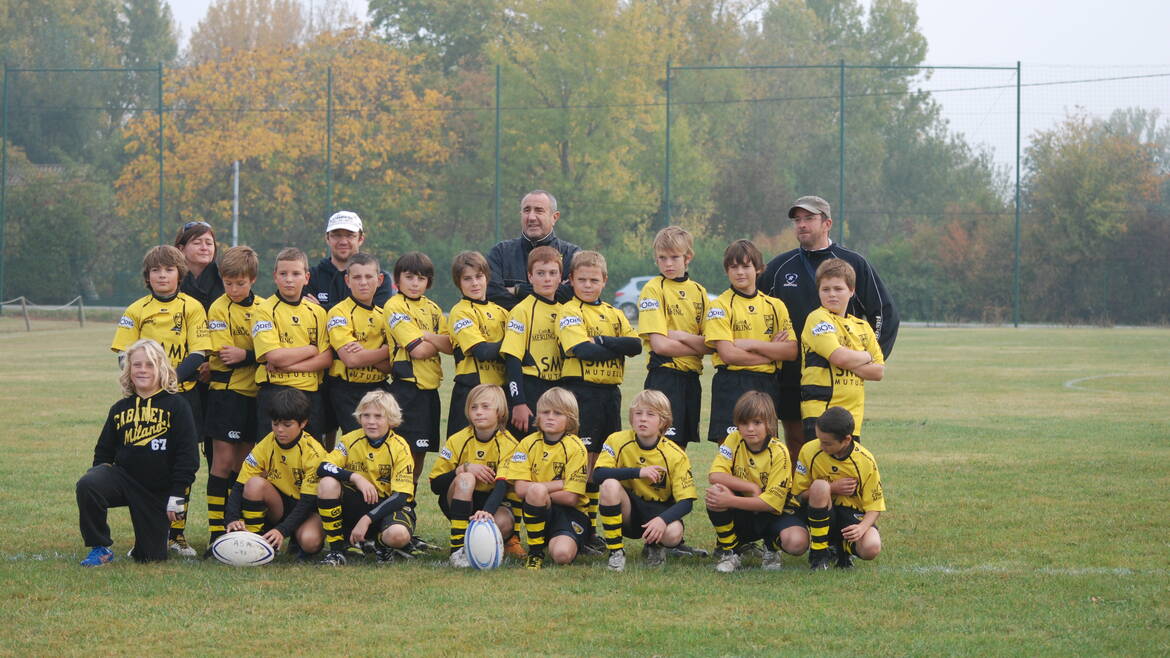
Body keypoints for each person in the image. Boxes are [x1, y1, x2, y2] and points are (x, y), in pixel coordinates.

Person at [759, 195, 899, 459]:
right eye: (797, 220)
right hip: (791, 371)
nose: (801, 225)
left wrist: (866, 361)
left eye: (809, 219)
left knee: (841, 439)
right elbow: (755, 307)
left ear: (827, 223)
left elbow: (884, 313)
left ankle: (835, 494)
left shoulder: (853, 263)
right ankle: (800, 496)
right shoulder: (779, 266)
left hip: (842, 374)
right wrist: (768, 344)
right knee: (798, 439)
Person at [111, 245, 210, 556]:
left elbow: (199, 353)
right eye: (156, 271)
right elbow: (125, 357)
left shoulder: (193, 308)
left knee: (181, 464)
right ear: (148, 277)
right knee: (147, 463)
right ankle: (148, 533)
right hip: (145, 399)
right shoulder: (136, 310)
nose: (162, 275)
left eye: (168, 270)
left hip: (184, 396)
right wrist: (149, 384)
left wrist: (170, 381)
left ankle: (177, 534)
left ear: (179, 274)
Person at [76, 339, 197, 565]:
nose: (142, 370)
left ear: (161, 368)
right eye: (137, 365)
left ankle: (150, 542)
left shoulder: (177, 406)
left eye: (150, 365)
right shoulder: (119, 409)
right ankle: (100, 547)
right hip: (124, 480)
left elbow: (188, 457)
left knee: (151, 558)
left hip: (157, 491)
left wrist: (177, 496)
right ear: (128, 369)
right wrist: (98, 479)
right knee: (88, 483)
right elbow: (103, 453)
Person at [557, 250, 640, 548]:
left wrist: (603, 341)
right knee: (584, 459)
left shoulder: (614, 313)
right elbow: (582, 350)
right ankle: (583, 528)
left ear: (604, 280)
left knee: (602, 460)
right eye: (582, 280)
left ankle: (590, 528)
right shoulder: (569, 311)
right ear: (571, 280)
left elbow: (635, 345)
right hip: (582, 391)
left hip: (609, 394)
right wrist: (613, 347)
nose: (588, 285)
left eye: (594, 280)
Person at [703, 239, 795, 444]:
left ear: (759, 269)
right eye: (733, 267)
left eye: (746, 266)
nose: (740, 272)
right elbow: (728, 354)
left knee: (766, 448)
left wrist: (753, 344)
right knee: (731, 447)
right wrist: (771, 353)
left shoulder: (775, 306)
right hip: (731, 383)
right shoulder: (719, 305)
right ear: (726, 270)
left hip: (767, 385)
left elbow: (791, 352)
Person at [593, 390, 696, 572]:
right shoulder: (616, 440)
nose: (643, 419)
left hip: (658, 511)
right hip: (628, 511)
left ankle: (655, 546)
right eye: (638, 413)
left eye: (650, 414)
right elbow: (598, 475)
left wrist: (662, 520)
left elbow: (687, 502)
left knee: (673, 534)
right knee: (609, 484)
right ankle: (616, 552)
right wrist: (638, 472)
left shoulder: (675, 454)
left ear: (663, 421)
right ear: (631, 417)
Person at [705, 391, 808, 573]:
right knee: (716, 491)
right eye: (744, 423)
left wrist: (730, 501)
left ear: (769, 423)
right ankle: (730, 552)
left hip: (774, 513)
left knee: (798, 543)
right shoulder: (734, 439)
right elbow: (715, 475)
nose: (750, 429)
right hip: (745, 511)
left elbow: (770, 503)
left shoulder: (779, 452)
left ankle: (772, 548)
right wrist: (750, 486)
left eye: (757, 423)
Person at [204, 245, 266, 548]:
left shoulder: (266, 307)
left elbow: (269, 352)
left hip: (257, 395)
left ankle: (240, 529)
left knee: (246, 464)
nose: (233, 289)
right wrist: (256, 354)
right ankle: (217, 530)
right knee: (222, 463)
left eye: (240, 283)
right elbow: (227, 355)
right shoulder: (218, 308)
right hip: (227, 394)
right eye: (228, 283)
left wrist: (250, 354)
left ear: (252, 279)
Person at [316, 390, 416, 566]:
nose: (371, 422)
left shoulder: (400, 447)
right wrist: (355, 477)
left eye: (378, 416)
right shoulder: (349, 440)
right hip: (358, 504)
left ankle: (382, 544)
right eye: (366, 415)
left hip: (389, 506)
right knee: (327, 483)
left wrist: (367, 519)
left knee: (398, 535)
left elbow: (400, 496)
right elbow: (323, 467)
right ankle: (337, 550)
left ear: (391, 419)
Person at [224, 388, 327, 558]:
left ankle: (296, 540)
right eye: (275, 423)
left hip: (306, 509)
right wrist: (232, 518)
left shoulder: (314, 453)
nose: (279, 430)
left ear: (302, 423)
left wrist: (282, 530)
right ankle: (253, 541)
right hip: (278, 505)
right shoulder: (265, 444)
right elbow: (239, 486)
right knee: (254, 483)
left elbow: (308, 502)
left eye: (287, 425)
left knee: (310, 542)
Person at [427, 384, 523, 567]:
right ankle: (457, 550)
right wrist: (462, 468)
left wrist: (486, 512)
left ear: (500, 412)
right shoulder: (457, 440)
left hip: (495, 504)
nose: (478, 412)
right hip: (460, 501)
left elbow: (502, 486)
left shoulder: (509, 444)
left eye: (485, 407)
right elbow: (435, 485)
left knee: (501, 523)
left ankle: (486, 543)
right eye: (474, 407)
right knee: (466, 478)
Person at [498, 387, 589, 570]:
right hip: (539, 509)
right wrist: (561, 484)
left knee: (561, 556)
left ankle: (570, 540)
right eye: (545, 412)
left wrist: (539, 492)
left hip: (570, 513)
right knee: (536, 491)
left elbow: (572, 497)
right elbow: (520, 490)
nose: (550, 417)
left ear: (570, 418)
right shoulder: (527, 444)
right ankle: (535, 552)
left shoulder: (576, 447)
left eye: (557, 413)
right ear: (537, 416)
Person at [637, 226, 711, 448]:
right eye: (662, 258)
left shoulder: (700, 292)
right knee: (659, 445)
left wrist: (679, 336)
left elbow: (712, 344)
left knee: (680, 447)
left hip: (691, 379)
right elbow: (660, 345)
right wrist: (696, 344)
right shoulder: (653, 289)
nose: (668, 264)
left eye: (674, 257)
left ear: (688, 257)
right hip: (664, 376)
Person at [383, 252, 452, 482]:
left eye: (421, 278)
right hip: (406, 389)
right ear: (398, 279)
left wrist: (425, 334)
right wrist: (435, 340)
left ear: (428, 282)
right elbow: (418, 351)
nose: (415, 283)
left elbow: (451, 346)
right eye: (410, 277)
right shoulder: (394, 306)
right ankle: (396, 497)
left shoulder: (433, 308)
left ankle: (408, 498)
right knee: (402, 450)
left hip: (430, 391)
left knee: (420, 449)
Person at [252, 247, 333, 441]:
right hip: (275, 391)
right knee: (272, 458)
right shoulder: (263, 310)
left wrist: (289, 367)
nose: (289, 279)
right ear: (275, 277)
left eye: (296, 274)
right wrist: (310, 349)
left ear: (306, 277)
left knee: (311, 457)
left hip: (309, 394)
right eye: (283, 274)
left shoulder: (318, 313)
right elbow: (274, 356)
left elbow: (327, 358)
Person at [800, 259, 885, 440]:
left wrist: (850, 358)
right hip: (821, 413)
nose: (832, 294)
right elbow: (839, 358)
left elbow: (878, 372)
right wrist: (866, 355)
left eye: (838, 289)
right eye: (826, 289)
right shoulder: (818, 319)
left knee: (848, 467)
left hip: (852, 418)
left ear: (851, 291)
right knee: (821, 467)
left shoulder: (862, 326)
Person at [791, 406, 884, 570]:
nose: (821, 446)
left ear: (846, 440)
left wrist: (861, 528)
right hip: (820, 511)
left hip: (850, 515)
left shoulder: (865, 460)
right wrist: (831, 488)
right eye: (819, 439)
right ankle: (819, 555)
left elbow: (875, 507)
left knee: (872, 547)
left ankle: (842, 549)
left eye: (827, 443)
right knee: (820, 486)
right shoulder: (809, 450)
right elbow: (798, 495)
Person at [501, 245, 565, 435]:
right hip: (531, 388)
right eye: (540, 273)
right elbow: (512, 359)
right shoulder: (521, 311)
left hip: (559, 388)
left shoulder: (566, 311)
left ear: (560, 277)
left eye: (553, 273)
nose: (547, 278)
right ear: (530, 277)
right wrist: (518, 402)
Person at [326, 253, 392, 437]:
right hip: (346, 389)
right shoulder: (338, 312)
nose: (363, 282)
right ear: (347, 280)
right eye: (357, 277)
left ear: (379, 280)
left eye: (369, 276)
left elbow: (390, 366)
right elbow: (352, 360)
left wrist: (366, 353)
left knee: (383, 442)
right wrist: (384, 351)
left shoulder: (385, 316)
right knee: (358, 444)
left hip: (379, 387)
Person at [446, 251, 508, 438]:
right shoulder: (460, 312)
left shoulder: (502, 312)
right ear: (459, 283)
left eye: (479, 276)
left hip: (499, 392)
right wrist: (513, 343)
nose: (474, 283)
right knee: (464, 450)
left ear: (487, 277)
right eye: (467, 278)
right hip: (470, 390)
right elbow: (482, 351)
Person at [487, 190, 580, 310]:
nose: (531, 217)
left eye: (539, 210)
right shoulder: (500, 253)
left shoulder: (572, 255)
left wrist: (515, 290)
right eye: (526, 210)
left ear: (554, 217)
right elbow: (491, 293)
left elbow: (574, 296)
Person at [303, 210, 394, 310]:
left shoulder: (379, 278)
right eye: (337, 235)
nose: (343, 242)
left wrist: (321, 308)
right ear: (327, 238)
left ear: (360, 239)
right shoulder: (310, 277)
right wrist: (359, 306)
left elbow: (373, 315)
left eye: (350, 235)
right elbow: (307, 314)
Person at [174, 220, 224, 310]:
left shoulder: (225, 278)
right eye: (197, 243)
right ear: (181, 249)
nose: (204, 248)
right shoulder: (170, 280)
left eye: (209, 243)